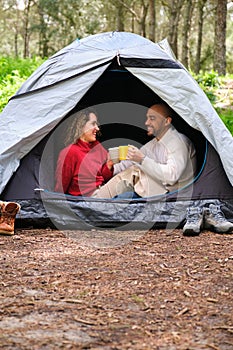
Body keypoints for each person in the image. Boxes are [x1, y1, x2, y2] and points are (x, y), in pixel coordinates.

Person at [94, 103, 197, 198]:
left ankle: (95, 200)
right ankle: (98, 198)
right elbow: (130, 162)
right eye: (147, 118)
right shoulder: (154, 143)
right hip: (160, 191)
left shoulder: (178, 141)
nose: (146, 122)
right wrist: (110, 167)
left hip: (176, 196)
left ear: (167, 121)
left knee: (136, 170)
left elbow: (171, 177)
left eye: (152, 118)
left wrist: (142, 160)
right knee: (129, 178)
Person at [55, 108, 113, 197]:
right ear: (81, 126)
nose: (97, 128)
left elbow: (104, 177)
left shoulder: (97, 147)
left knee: (133, 170)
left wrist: (109, 165)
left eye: (97, 124)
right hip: (86, 200)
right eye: (93, 124)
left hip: (102, 190)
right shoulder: (70, 152)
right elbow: (61, 187)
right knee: (134, 172)